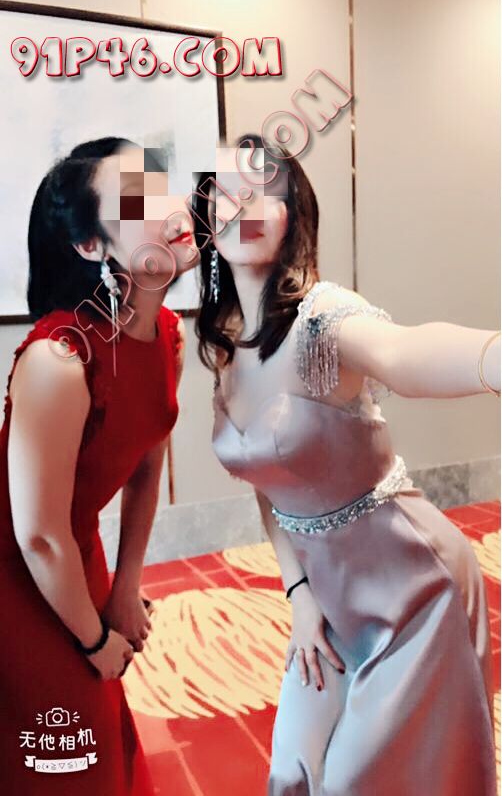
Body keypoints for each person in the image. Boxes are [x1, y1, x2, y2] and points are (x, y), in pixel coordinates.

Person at [192, 134, 500, 795]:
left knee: (359, 782)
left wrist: (493, 357)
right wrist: (300, 596)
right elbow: (268, 489)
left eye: (263, 190)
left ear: (291, 216)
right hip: (329, 599)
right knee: (292, 771)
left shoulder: (321, 320)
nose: (242, 202)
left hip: (415, 589)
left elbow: (404, 353)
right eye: (225, 190)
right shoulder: (225, 346)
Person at [0, 136, 199, 793]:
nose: (170, 208)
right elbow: (36, 534)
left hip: (72, 552)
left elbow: (147, 464)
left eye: (162, 187)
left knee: (102, 738)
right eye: (138, 201)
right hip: (17, 571)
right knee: (63, 749)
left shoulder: (166, 336)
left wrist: (125, 583)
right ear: (92, 246)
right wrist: (93, 639)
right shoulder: (59, 359)